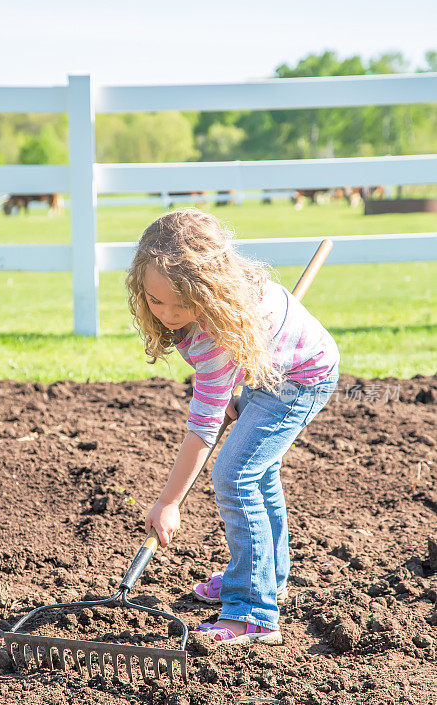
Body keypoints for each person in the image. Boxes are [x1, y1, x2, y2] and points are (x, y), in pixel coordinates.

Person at [126, 209, 340, 646]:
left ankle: (253, 611)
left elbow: (202, 428)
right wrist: (229, 389)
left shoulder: (216, 334)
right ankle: (267, 577)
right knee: (256, 473)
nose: (167, 313)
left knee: (234, 474)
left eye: (181, 303)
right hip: (269, 371)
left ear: (209, 289)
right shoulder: (218, 305)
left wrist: (169, 502)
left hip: (301, 379)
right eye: (155, 299)